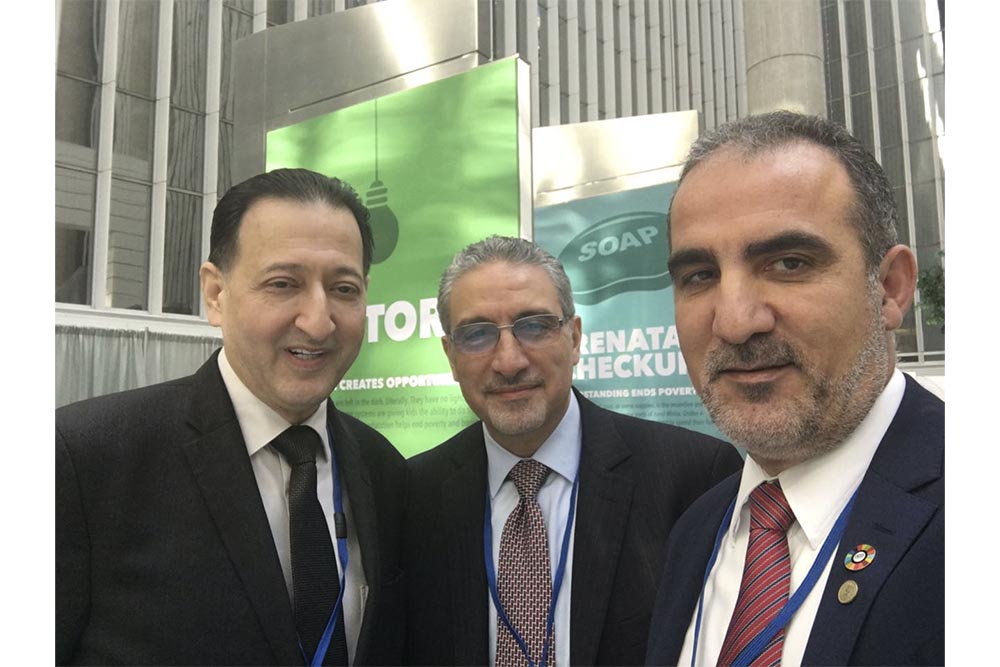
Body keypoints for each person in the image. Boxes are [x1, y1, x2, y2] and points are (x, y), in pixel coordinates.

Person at [56, 169, 406, 666]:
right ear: (215, 293)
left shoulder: (384, 471)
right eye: (283, 284)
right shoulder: (86, 459)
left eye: (344, 289)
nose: (318, 321)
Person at [645, 111, 944, 666]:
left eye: (788, 263)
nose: (735, 322)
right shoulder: (695, 531)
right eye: (699, 276)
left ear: (890, 288)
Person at [403, 236, 743, 666]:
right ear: (451, 356)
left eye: (534, 326)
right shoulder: (416, 492)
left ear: (575, 338)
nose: (509, 362)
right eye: (476, 335)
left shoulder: (693, 475)